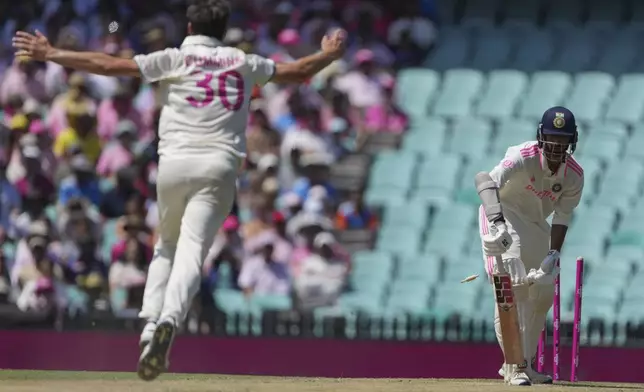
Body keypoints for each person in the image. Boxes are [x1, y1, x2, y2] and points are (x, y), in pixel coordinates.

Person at [13, 0, 347, 381]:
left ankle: (149, 328)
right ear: (222, 31)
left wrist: (51, 52)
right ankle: (170, 319)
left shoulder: (173, 58)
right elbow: (299, 71)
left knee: (165, 246)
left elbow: (108, 65)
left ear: (189, 29)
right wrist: (328, 54)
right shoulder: (244, 61)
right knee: (192, 250)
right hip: (219, 165)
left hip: (173, 165)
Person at [476, 107, 584, 386]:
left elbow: (562, 216)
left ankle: (525, 364)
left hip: (536, 224)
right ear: (540, 136)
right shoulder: (521, 156)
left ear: (572, 141)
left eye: (562, 141)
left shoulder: (573, 175)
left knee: (544, 290)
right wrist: (497, 224)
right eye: (551, 139)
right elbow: (483, 179)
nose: (556, 147)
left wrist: (554, 253)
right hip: (503, 214)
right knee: (514, 289)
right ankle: (515, 366)